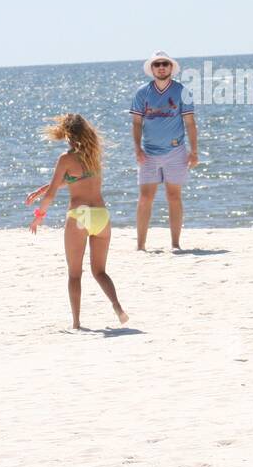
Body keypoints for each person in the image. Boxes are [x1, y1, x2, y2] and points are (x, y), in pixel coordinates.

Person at [26, 114, 128, 330]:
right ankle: (118, 307)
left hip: (79, 216)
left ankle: (76, 323)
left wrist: (39, 217)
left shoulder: (66, 159)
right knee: (100, 271)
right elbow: (77, 178)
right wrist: (42, 188)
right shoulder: (94, 154)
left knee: (74, 274)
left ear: (67, 135)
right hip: (101, 216)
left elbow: (54, 192)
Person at [131, 51, 198, 251]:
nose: (161, 67)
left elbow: (190, 123)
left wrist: (194, 151)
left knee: (174, 197)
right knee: (145, 198)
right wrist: (137, 148)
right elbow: (136, 123)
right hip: (149, 153)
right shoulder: (142, 93)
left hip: (176, 152)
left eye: (165, 64)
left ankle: (175, 244)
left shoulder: (181, 91)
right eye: (157, 64)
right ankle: (141, 246)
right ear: (152, 69)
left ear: (171, 68)